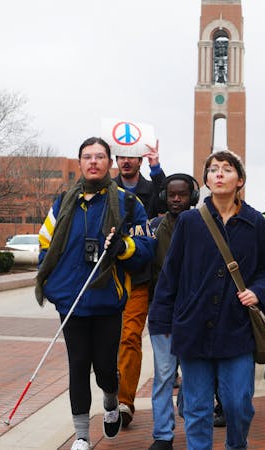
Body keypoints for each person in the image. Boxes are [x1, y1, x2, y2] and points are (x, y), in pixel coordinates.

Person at [149, 150, 265, 450]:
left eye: (227, 169)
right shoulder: (190, 222)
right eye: (213, 169)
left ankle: (237, 444)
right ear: (206, 180)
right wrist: (162, 321)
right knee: (196, 408)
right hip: (193, 327)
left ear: (240, 179)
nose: (219, 173)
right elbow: (171, 274)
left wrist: (259, 291)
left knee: (238, 404)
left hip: (237, 328)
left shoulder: (255, 223)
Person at [35, 137, 155, 450]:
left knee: (104, 367)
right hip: (71, 302)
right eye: (87, 157)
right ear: (80, 163)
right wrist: (51, 284)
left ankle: (112, 400)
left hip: (107, 301)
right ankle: (82, 436)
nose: (93, 162)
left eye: (99, 156)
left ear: (109, 162)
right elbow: (46, 244)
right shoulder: (63, 203)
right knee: (78, 366)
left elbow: (145, 248)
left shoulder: (129, 204)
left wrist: (122, 247)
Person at [112, 141, 167, 426]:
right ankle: (112, 394)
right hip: (108, 277)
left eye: (132, 157)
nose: (126, 161)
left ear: (140, 161)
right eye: (121, 156)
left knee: (130, 336)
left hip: (140, 277)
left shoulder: (150, 190)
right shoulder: (106, 191)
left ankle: (124, 402)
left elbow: (170, 197)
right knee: (109, 342)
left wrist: (157, 167)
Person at [147, 173, 200, 450]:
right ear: (163, 197)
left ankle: (192, 426)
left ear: (192, 197)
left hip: (193, 314)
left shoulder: (202, 225)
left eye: (182, 194)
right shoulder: (153, 228)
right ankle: (162, 436)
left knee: (193, 376)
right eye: (171, 194)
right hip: (162, 313)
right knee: (164, 375)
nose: (176, 199)